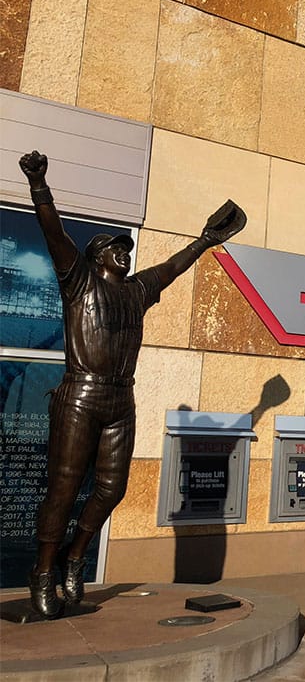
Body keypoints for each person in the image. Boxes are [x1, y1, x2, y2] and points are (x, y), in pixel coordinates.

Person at [18, 150, 247, 619]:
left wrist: (205, 241)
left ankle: (75, 556)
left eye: (127, 247)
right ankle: (43, 570)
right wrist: (39, 185)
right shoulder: (78, 280)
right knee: (63, 488)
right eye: (114, 247)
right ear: (95, 256)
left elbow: (173, 267)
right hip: (81, 394)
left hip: (121, 398)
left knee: (112, 488)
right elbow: (53, 233)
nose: (124, 252)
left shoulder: (137, 291)